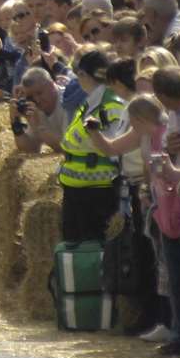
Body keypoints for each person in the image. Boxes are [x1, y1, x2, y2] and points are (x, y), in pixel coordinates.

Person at [55, 50, 126, 243]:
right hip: (79, 186)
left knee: (91, 247)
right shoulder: (92, 102)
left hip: (95, 189)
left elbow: (113, 149)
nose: (78, 80)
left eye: (79, 75)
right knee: (76, 246)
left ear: (85, 75)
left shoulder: (110, 105)